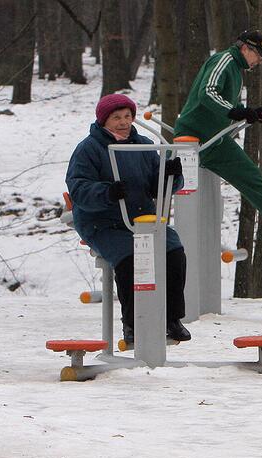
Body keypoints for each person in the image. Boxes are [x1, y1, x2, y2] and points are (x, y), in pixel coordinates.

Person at [173, 30, 262, 257]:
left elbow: (226, 107)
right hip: (196, 137)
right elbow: (207, 93)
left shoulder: (236, 71)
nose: (260, 61)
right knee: (251, 178)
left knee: (252, 178)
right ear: (245, 48)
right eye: (258, 55)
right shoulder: (224, 60)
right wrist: (236, 111)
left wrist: (249, 113)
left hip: (213, 138)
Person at [66, 94, 191, 344]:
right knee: (131, 259)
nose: (123, 122)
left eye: (127, 116)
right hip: (103, 222)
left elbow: (158, 186)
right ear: (104, 120)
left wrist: (172, 176)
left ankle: (172, 318)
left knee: (174, 252)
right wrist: (107, 192)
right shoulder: (89, 148)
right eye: (116, 118)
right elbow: (78, 188)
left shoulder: (142, 145)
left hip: (141, 219)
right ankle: (132, 324)